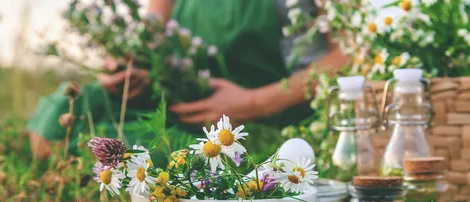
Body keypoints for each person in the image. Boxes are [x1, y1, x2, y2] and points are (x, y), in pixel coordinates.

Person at [28, 0, 347, 159]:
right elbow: (150, 35)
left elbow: (346, 54)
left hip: (273, 113)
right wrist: (126, 66)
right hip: (184, 105)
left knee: (177, 156)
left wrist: (252, 104)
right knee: (63, 116)